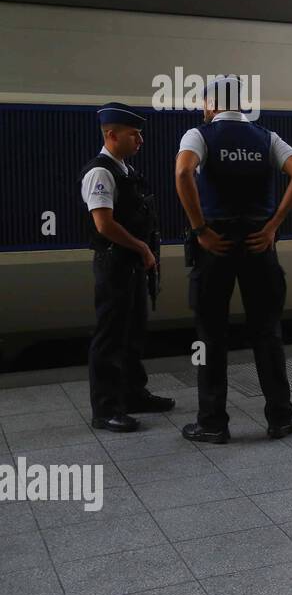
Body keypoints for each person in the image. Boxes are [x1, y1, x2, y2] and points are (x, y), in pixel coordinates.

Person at [174, 76, 292, 444]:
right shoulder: (267, 138)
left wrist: (200, 227)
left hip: (215, 245)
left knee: (211, 335)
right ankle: (281, 417)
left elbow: (183, 172)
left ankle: (212, 423)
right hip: (258, 243)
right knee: (267, 332)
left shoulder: (198, 136)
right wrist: (274, 225)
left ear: (211, 103)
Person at [80, 103, 175, 432]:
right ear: (111, 134)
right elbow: (104, 224)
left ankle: (133, 394)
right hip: (115, 263)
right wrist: (141, 247)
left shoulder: (125, 171)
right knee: (110, 336)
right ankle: (105, 409)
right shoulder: (100, 173)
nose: (141, 140)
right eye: (134, 134)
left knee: (133, 331)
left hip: (132, 264)